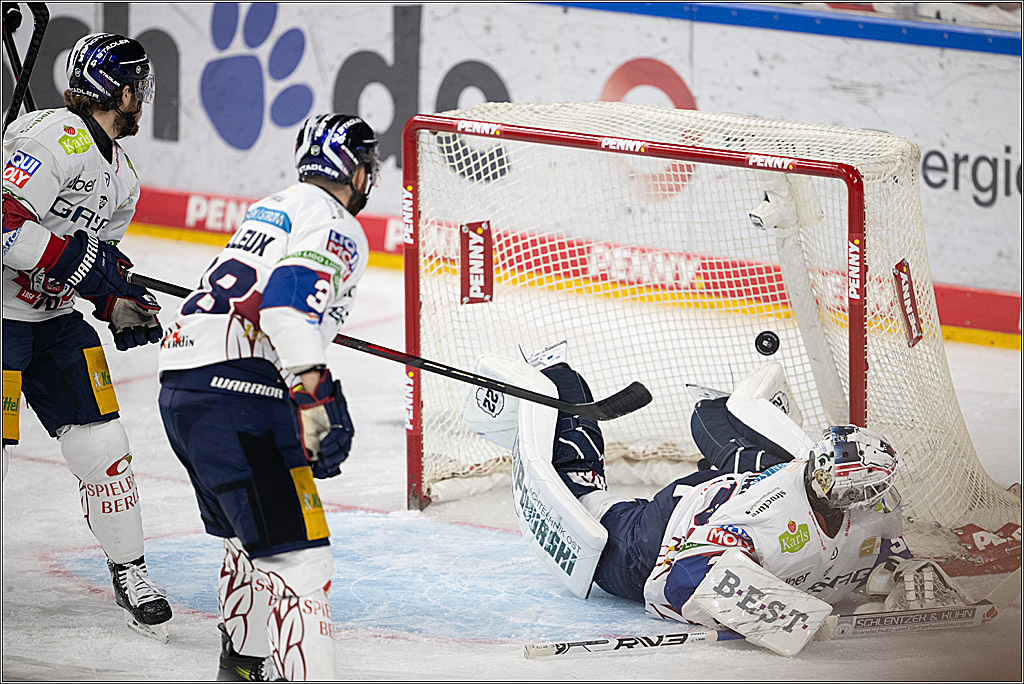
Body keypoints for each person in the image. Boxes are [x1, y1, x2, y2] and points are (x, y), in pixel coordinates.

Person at [158, 113, 379, 681]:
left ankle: (242, 667)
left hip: (183, 387)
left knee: (247, 538)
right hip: (239, 394)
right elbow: (285, 304)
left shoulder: (274, 206)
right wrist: (314, 393)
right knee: (301, 562)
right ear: (354, 171)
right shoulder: (335, 221)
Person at [529, 360, 920, 627]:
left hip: (712, 497)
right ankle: (554, 375)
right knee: (578, 494)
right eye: (862, 488)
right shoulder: (767, 514)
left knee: (747, 459)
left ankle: (715, 407)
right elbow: (681, 580)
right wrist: (778, 615)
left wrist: (903, 576)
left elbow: (890, 556)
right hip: (647, 546)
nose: (873, 497)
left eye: (872, 488)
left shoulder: (873, 506)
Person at [2, 33, 171, 641]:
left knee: (107, 448)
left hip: (53, 325)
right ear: (122, 91)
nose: (142, 101)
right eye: (139, 90)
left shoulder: (120, 173)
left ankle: (131, 573)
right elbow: (4, 225)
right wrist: (79, 264)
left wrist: (116, 295)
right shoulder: (52, 139)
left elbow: (96, 257)